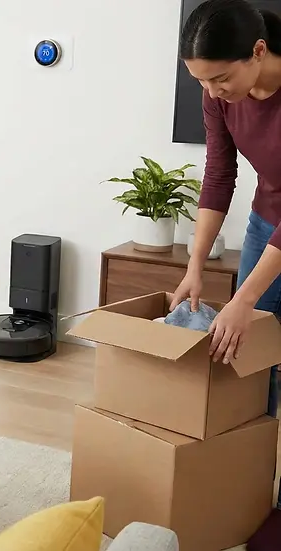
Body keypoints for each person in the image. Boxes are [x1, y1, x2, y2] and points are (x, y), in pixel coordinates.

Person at [174, 0, 281, 418]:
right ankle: (248, 452)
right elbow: (219, 175)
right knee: (249, 355)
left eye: (220, 78)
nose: (212, 91)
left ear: (258, 51)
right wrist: (195, 265)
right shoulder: (218, 97)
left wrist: (244, 299)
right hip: (267, 221)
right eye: (201, 80)